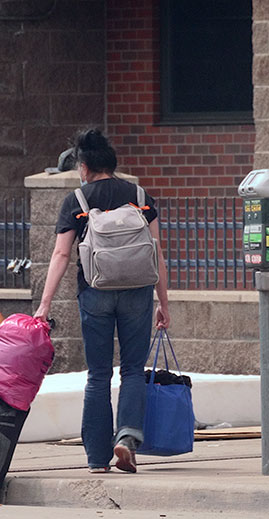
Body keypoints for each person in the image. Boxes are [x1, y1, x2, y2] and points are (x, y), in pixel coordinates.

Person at [33, 128, 169, 474]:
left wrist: (45, 304)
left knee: (98, 375)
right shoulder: (140, 196)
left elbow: (62, 253)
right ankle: (126, 438)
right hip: (138, 291)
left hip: (95, 292)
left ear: (84, 167)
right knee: (133, 369)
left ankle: (96, 458)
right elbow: (156, 253)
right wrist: (163, 302)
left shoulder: (77, 201)